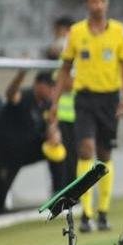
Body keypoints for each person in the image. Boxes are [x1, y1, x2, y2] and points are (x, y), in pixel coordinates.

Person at [50, 0, 123, 232]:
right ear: (87, 4)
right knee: (85, 150)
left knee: (105, 155)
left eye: (102, 1)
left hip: (109, 98)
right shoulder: (76, 32)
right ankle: (85, 212)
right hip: (84, 98)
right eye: (93, 1)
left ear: (107, 4)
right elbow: (65, 68)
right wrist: (54, 103)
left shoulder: (118, 31)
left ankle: (103, 211)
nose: (98, 5)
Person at [0, 71, 61, 213]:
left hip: (27, 150)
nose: (52, 90)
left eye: (53, 87)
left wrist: (53, 132)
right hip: (6, 151)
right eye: (49, 86)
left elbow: (51, 126)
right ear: (38, 84)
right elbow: (10, 93)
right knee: (0, 197)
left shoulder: (47, 105)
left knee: (56, 150)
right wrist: (21, 74)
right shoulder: (24, 96)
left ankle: (59, 194)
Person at [45, 16, 77, 194]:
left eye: (59, 32)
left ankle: (72, 195)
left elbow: (70, 84)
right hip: (59, 113)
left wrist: (59, 83)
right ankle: (58, 192)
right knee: (55, 154)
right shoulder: (56, 58)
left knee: (72, 158)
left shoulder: (74, 58)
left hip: (73, 114)